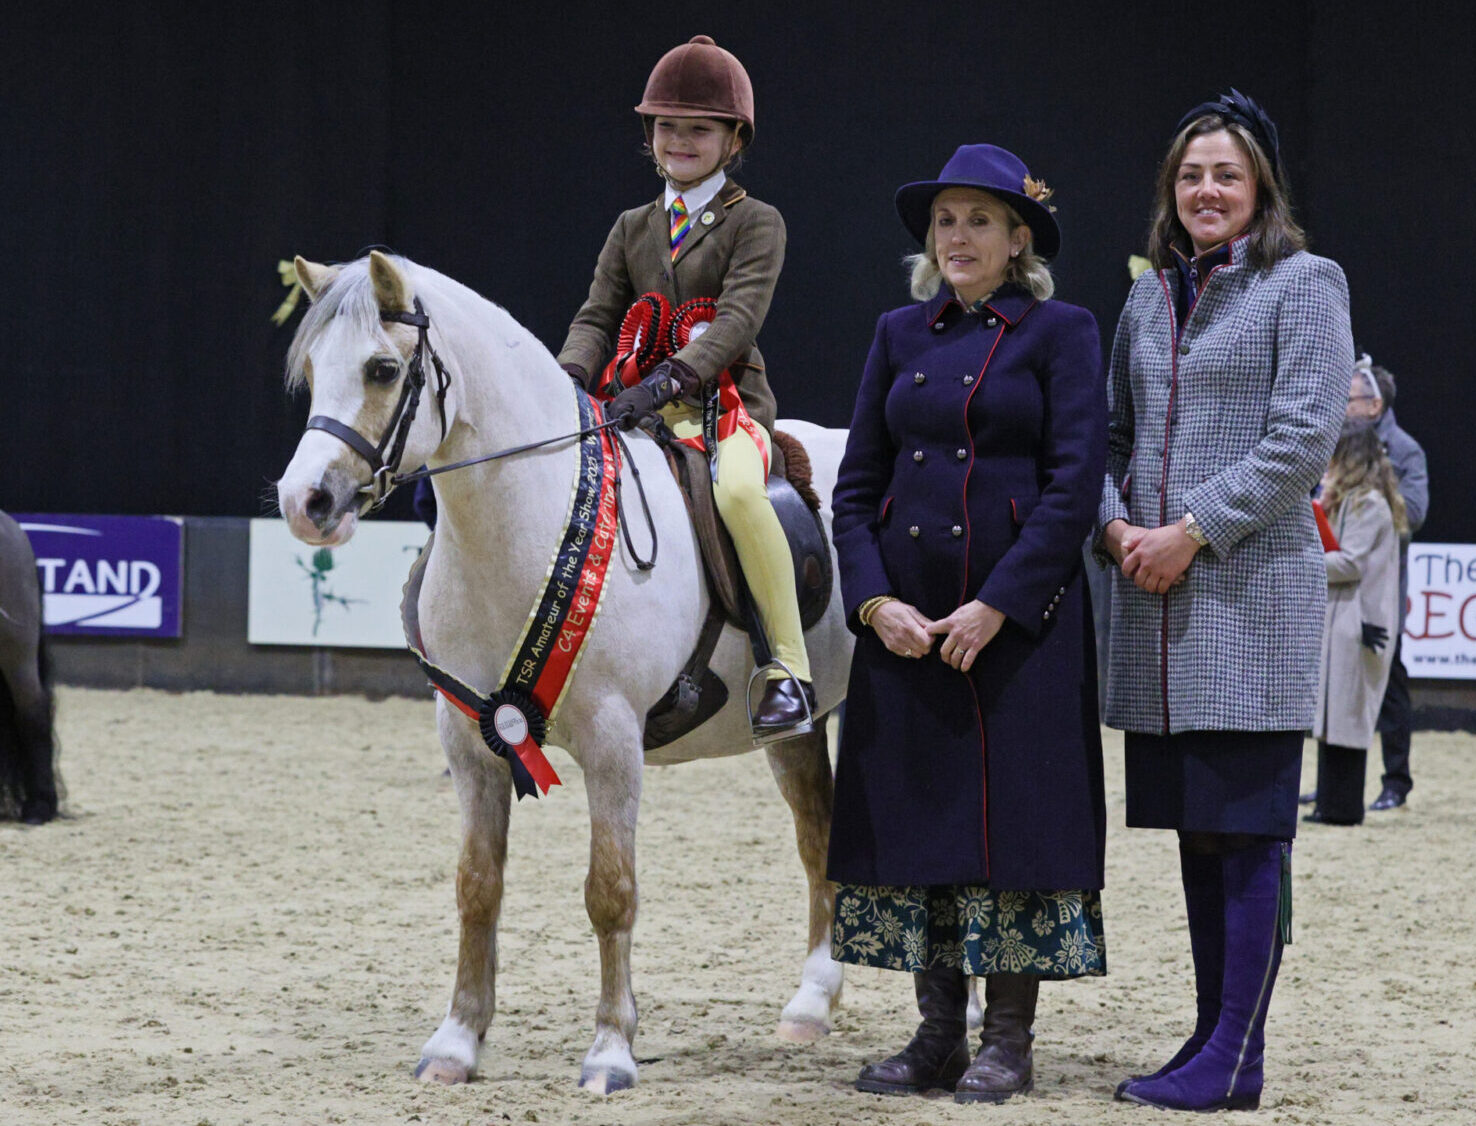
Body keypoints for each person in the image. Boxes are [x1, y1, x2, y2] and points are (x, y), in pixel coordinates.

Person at [830, 143, 1107, 1104]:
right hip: (909, 629)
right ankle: (938, 1034)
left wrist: (999, 604)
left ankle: (1008, 1041)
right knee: (922, 828)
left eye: (979, 220)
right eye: (945, 221)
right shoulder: (898, 333)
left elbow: (1074, 488)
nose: (957, 236)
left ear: (1018, 238)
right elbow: (855, 490)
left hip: (1020, 629)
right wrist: (875, 604)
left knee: (1015, 835)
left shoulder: (1062, 331)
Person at [1097, 91, 1352, 1111]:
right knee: (1197, 834)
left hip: (1247, 605)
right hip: (1155, 616)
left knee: (1248, 833)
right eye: (1191, 175)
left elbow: (1300, 441)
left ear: (1260, 189)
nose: (1206, 190)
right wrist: (1117, 527)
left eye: (1226, 175)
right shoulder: (1146, 298)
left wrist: (1190, 530)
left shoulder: (1305, 284)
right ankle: (1215, 1044)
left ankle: (1237, 1054)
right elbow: (1111, 438)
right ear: (1171, 189)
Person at [556, 35, 813, 737]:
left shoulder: (756, 222)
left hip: (724, 408)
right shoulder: (631, 227)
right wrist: (568, 379)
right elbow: (597, 316)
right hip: (636, 411)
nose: (679, 140)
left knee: (739, 494)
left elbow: (736, 320)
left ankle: (787, 670)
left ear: (734, 140)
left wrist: (672, 376)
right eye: (667, 126)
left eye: (699, 129)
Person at [1304, 421, 1406, 825]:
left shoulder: (1370, 504)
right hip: (1344, 619)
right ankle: (1329, 802)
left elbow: (1350, 563)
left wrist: (1304, 560)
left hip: (1361, 622)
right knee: (1334, 714)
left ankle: (1343, 807)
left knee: (1348, 715)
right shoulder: (1351, 501)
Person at [1366, 359, 1428, 809]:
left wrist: (1364, 513)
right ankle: (1334, 782)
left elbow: (1415, 514)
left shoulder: (1405, 450)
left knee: (1390, 689)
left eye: (1349, 398)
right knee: (1336, 689)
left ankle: (1396, 781)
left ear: (1374, 404)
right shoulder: (1333, 442)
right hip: (1339, 584)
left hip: (1382, 587)